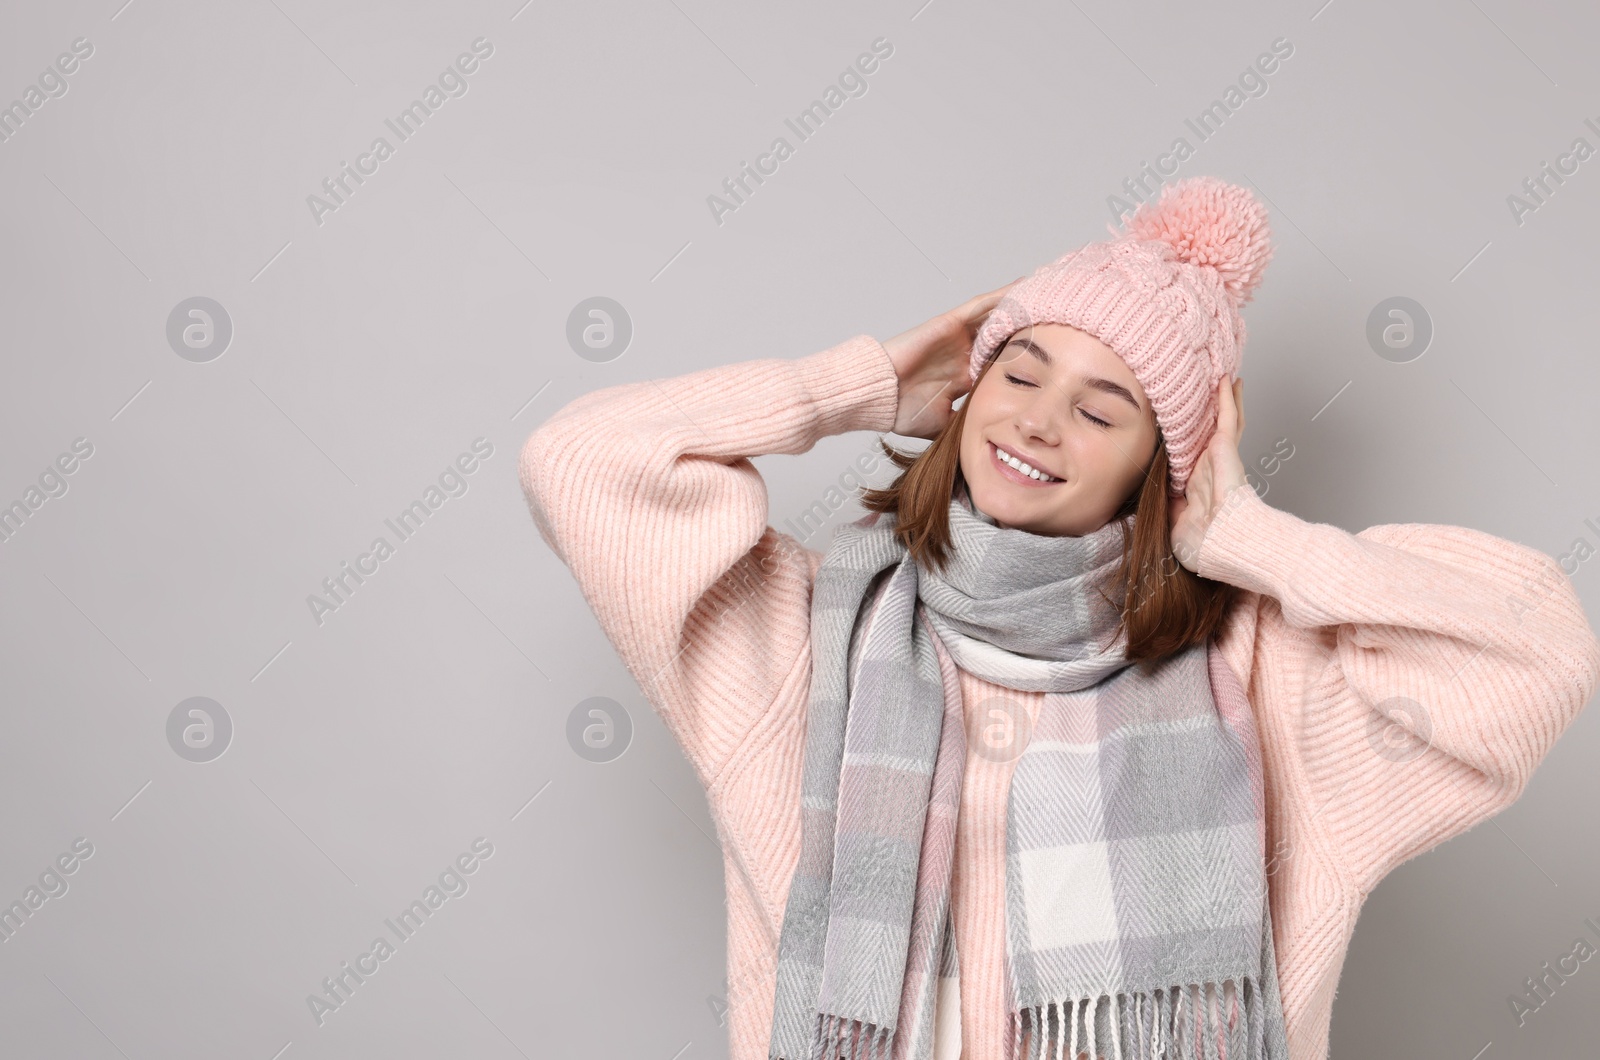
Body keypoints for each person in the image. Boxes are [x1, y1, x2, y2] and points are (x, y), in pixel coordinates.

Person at [517, 176, 1600, 1060]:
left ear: (1159, 467)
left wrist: (1246, 537)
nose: (1036, 421)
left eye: (1099, 409)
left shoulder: (1264, 679)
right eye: (1016, 372)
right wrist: (859, 383)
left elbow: (1536, 649)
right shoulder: (802, 639)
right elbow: (581, 463)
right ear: (966, 391)